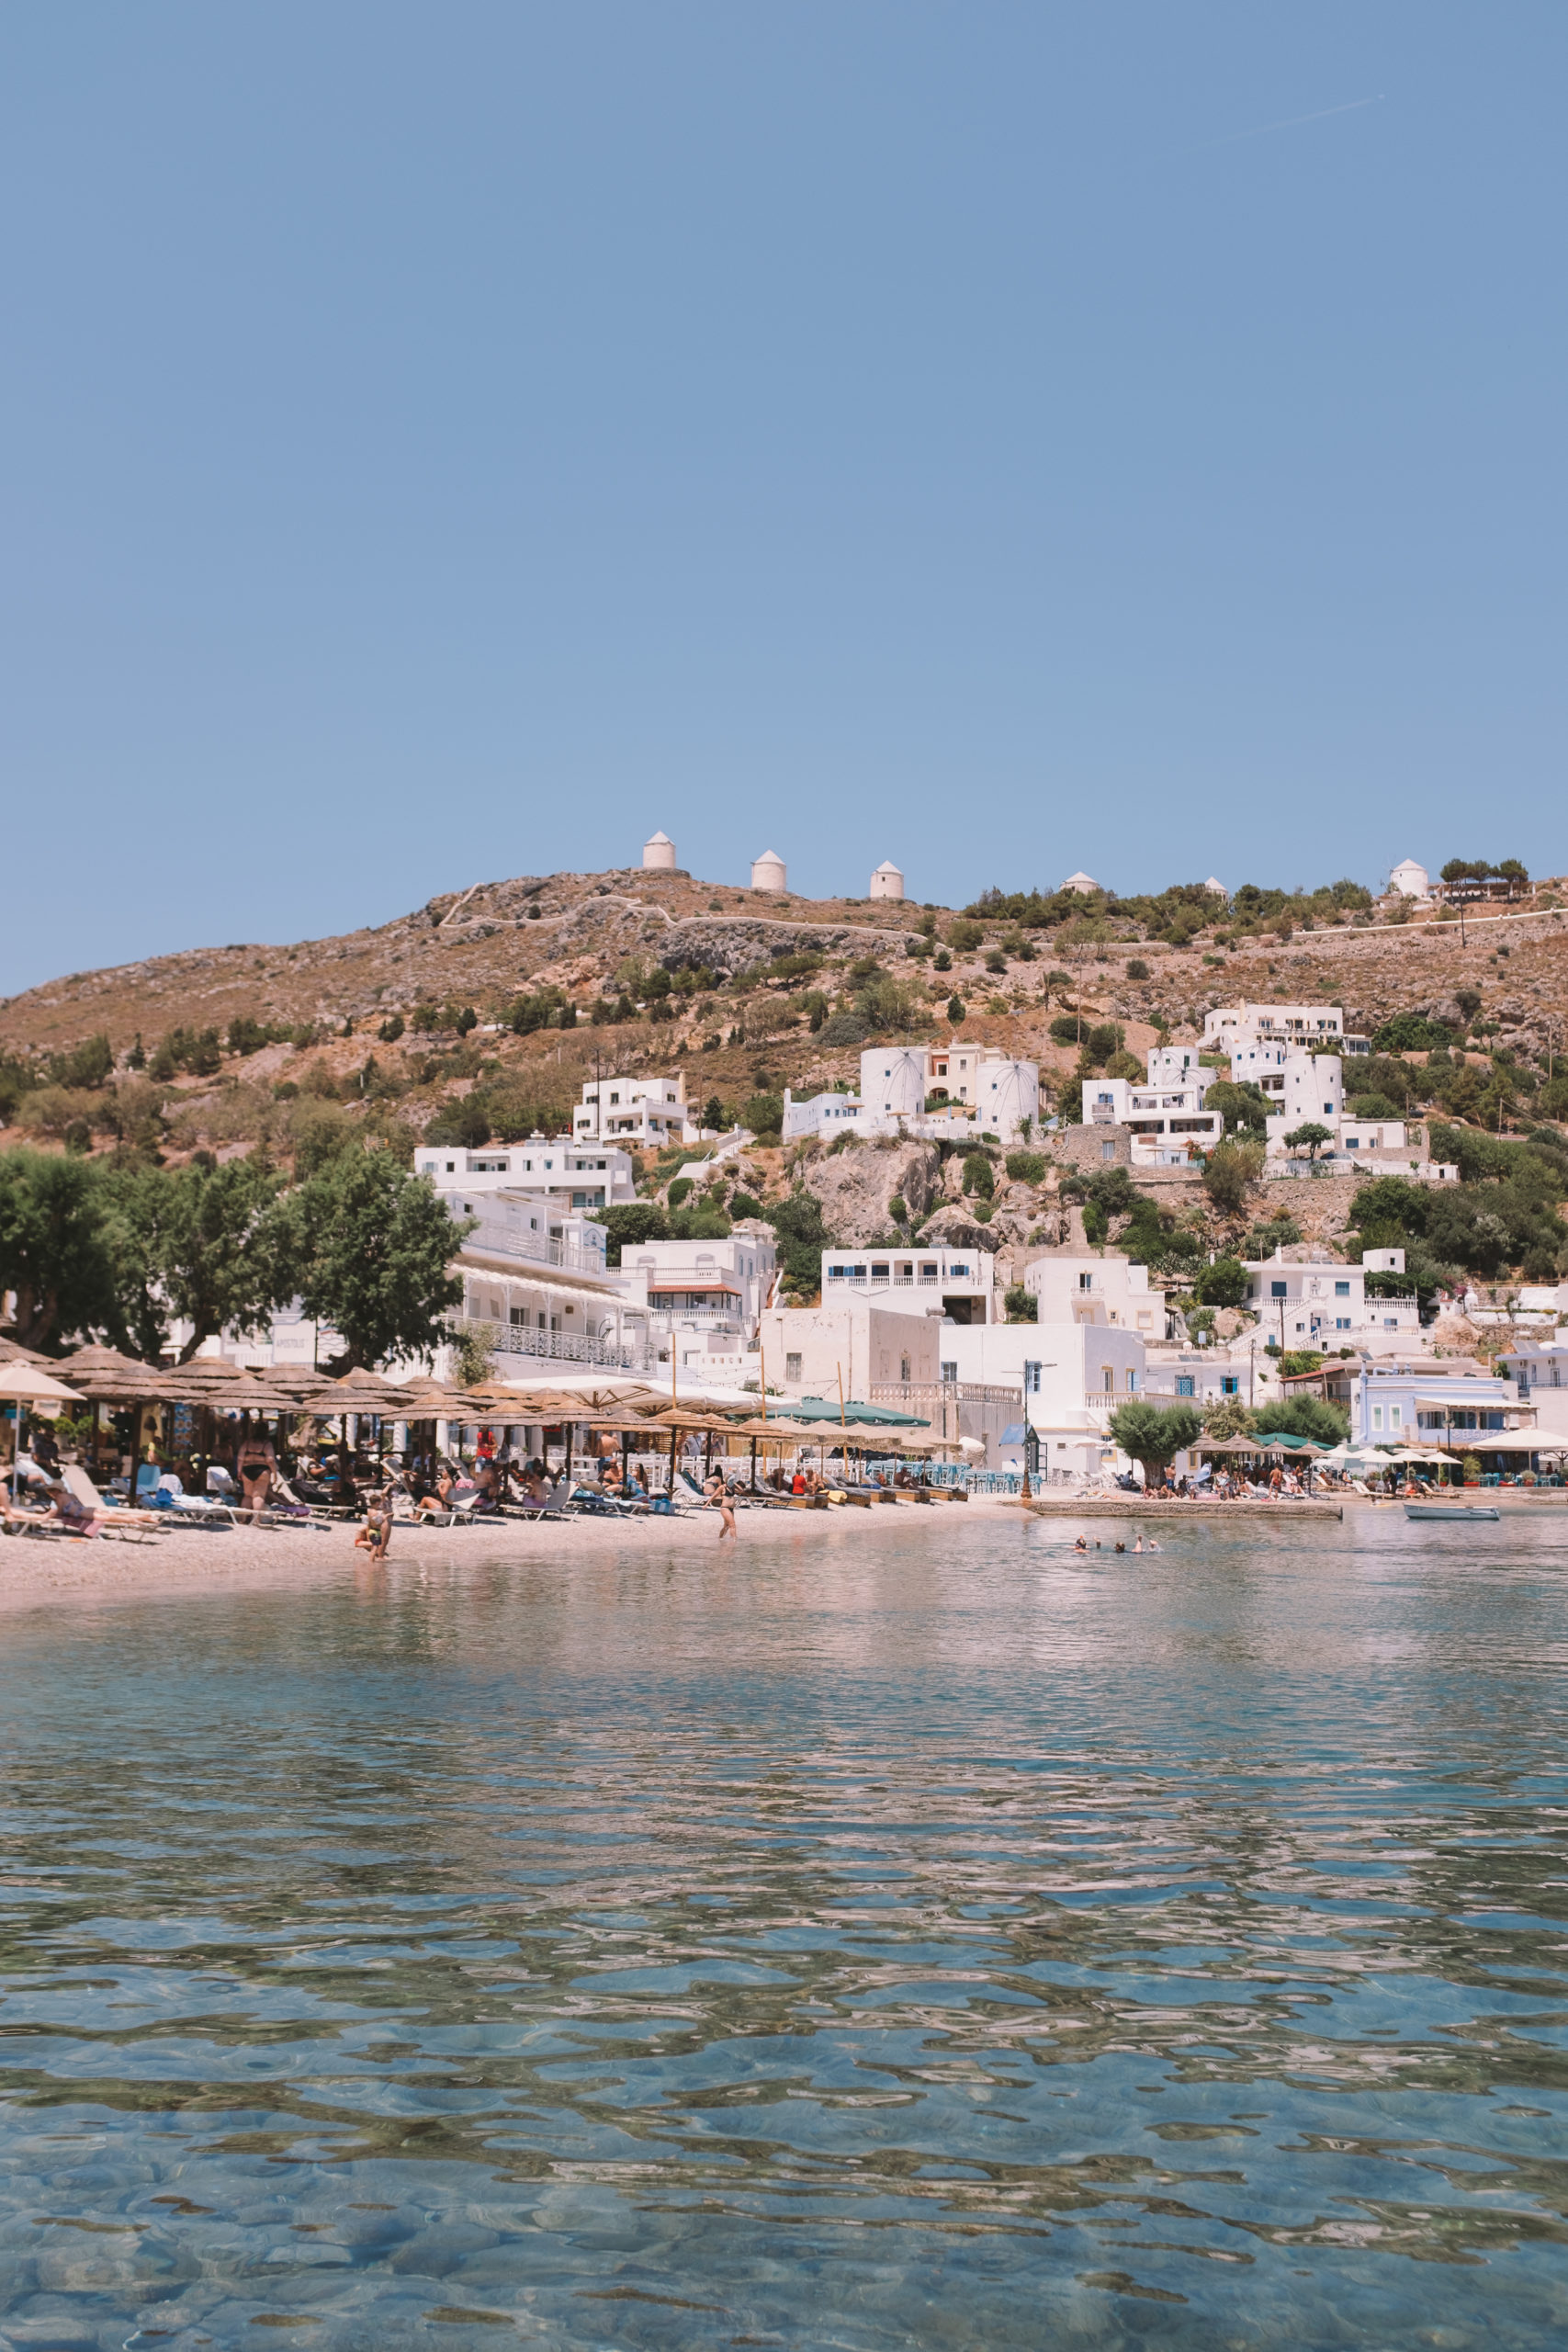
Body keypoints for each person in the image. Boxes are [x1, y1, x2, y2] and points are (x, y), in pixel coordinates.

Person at [355, 1491, 392, 1562]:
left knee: (374, 1547)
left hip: (371, 1530)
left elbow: (366, 1521)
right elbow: (378, 1522)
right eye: (379, 1503)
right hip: (375, 1531)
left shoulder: (368, 1510)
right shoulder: (375, 1512)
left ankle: (372, 1561)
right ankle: (371, 1563)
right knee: (375, 1547)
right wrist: (386, 1516)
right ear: (377, 1503)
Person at [705, 1472, 737, 1539]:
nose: (732, 1482)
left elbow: (741, 1490)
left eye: (732, 1480)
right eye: (731, 1480)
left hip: (731, 1509)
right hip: (725, 1508)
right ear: (727, 1480)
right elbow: (713, 1496)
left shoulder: (732, 1488)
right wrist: (706, 1505)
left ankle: (720, 1538)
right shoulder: (722, 1487)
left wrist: (735, 1483)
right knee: (732, 1525)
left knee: (726, 1526)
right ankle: (734, 1540)